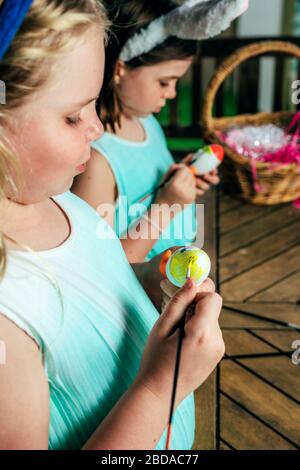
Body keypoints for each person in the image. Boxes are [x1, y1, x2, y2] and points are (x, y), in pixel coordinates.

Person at [0, 0, 224, 450]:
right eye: (73, 115)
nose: (98, 128)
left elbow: (94, 269)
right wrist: (161, 387)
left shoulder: (58, 196)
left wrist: (141, 277)